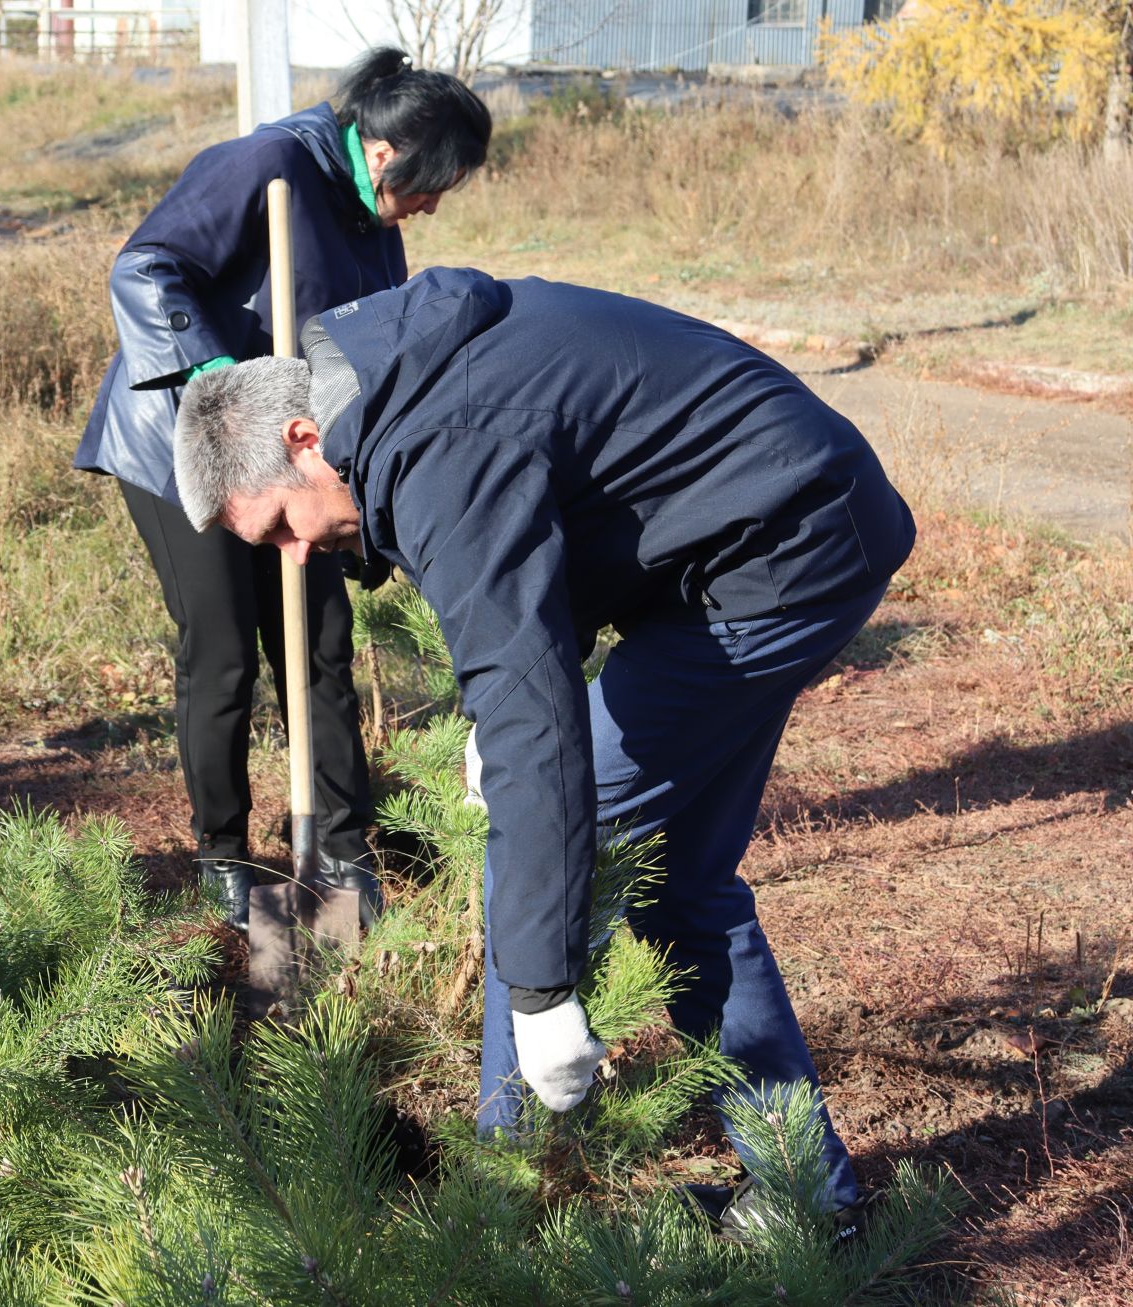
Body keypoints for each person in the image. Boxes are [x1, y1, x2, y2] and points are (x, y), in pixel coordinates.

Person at [170, 267, 914, 1238]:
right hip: (782, 526)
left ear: (304, 440)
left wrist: (542, 993)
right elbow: (555, 547)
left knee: (546, 832)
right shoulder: (391, 379)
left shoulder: (434, 444)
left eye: (279, 525)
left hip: (784, 550)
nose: (297, 554)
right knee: (676, 886)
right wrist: (502, 712)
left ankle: (505, 1216)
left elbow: (540, 732)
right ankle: (809, 1199)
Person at [74, 47, 492, 929]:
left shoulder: (376, 220)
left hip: (291, 456)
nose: (431, 205)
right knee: (224, 650)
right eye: (431, 183)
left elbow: (370, 355)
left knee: (320, 645)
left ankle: (340, 847)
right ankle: (222, 855)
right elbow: (144, 268)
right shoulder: (266, 165)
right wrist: (224, 384)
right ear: (385, 152)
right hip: (187, 438)